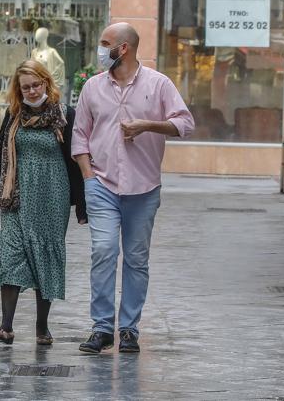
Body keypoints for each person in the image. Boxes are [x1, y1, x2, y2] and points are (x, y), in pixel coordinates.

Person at [71, 22, 195, 354]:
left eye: (104, 43)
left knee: (137, 260)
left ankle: (128, 329)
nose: (100, 49)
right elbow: (79, 135)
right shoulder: (92, 88)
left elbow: (185, 123)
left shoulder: (159, 85)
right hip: (101, 184)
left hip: (144, 188)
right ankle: (101, 327)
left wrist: (147, 126)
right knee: (104, 251)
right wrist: (88, 177)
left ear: (122, 48)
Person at [0, 60, 87, 346]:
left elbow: (75, 161)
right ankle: (6, 326)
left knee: (45, 256)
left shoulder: (65, 115)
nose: (30, 91)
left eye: (35, 85)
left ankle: (42, 327)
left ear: (46, 82)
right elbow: (1, 153)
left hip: (52, 196)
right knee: (11, 252)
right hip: (15, 195)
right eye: (25, 87)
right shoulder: (13, 114)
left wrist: (81, 204)